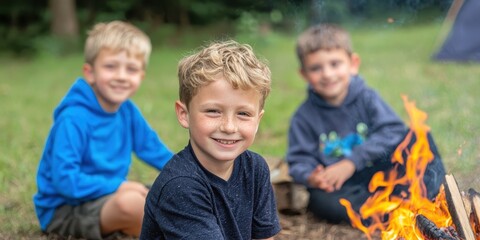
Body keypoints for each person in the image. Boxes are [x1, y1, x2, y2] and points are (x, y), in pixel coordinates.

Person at [286, 23, 446, 223]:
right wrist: (312, 176)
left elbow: (393, 130)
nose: (327, 74)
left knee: (418, 137)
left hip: (384, 171)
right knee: (320, 202)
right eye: (316, 68)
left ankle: (424, 200)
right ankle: (391, 212)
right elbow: (298, 161)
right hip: (349, 187)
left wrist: (352, 162)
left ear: (353, 64)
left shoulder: (367, 98)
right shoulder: (303, 117)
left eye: (335, 64)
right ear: (304, 74)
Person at [33, 20, 173, 239]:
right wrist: (119, 186)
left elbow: (153, 148)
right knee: (134, 205)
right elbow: (65, 181)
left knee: (173, 193)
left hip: (109, 195)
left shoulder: (127, 111)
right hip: (66, 209)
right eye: (110, 66)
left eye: (131, 69)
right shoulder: (73, 119)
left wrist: (189, 173)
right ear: (90, 72)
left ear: (141, 76)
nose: (121, 76)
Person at [140, 40, 281, 239]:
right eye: (213, 111)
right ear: (184, 114)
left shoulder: (255, 169)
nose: (229, 127)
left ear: (258, 120)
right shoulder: (181, 186)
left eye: (243, 114)